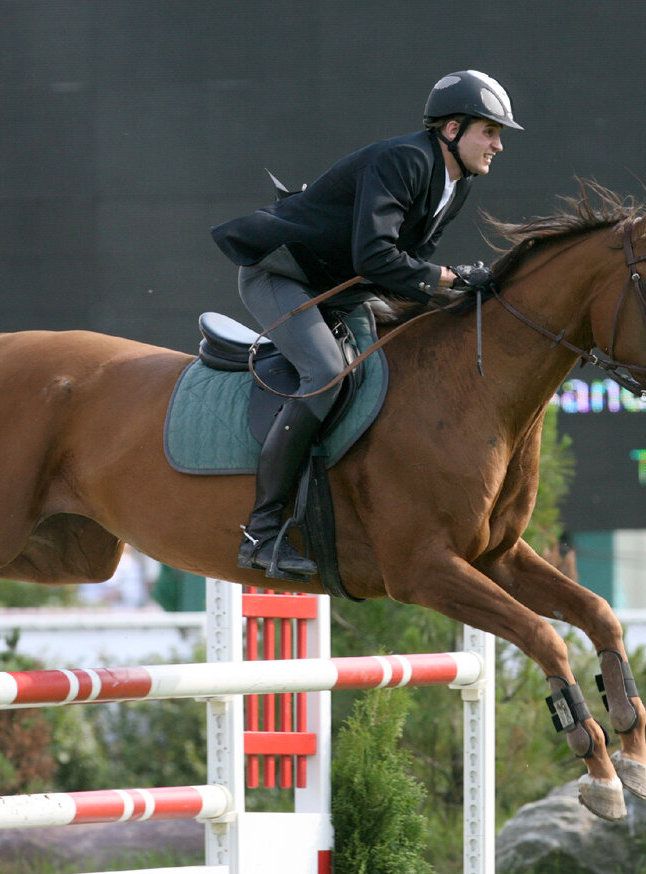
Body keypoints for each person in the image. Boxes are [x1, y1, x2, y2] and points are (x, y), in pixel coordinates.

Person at [211, 69, 522, 578]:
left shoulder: (454, 183)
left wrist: (451, 293)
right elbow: (376, 256)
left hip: (337, 287)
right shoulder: (404, 161)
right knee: (324, 372)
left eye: (499, 134)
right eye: (489, 131)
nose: (497, 145)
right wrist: (448, 277)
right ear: (451, 130)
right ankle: (261, 534)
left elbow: (407, 263)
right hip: (279, 273)